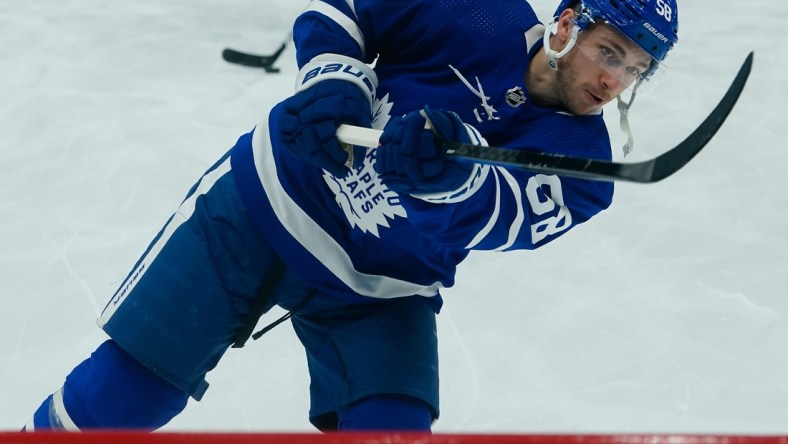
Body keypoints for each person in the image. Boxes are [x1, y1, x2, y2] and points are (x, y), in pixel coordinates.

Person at [26, 0, 679, 432]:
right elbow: (343, 6)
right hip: (265, 205)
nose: (615, 80)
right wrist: (332, 76)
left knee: (392, 430)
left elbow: (498, 216)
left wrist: (448, 181)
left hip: (379, 286)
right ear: (568, 24)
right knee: (125, 397)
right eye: (611, 52)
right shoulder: (481, 12)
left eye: (636, 70)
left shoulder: (585, 166)